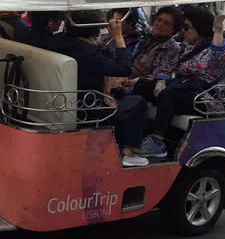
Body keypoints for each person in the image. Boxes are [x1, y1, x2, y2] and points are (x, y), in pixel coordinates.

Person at [49, 10, 150, 167]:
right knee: (138, 102)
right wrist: (118, 37)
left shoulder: (58, 40)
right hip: (88, 107)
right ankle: (127, 153)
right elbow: (125, 69)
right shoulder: (88, 52)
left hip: (63, 99)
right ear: (94, 28)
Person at [133, 7, 225, 159]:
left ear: (200, 29)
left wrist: (218, 29)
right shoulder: (185, 48)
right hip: (183, 91)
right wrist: (161, 81)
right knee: (142, 85)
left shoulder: (211, 50)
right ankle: (138, 131)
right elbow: (168, 68)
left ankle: (157, 143)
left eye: (186, 27)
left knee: (168, 95)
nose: (183, 31)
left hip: (205, 98)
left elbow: (218, 53)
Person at [121, 6, 183, 87]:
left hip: (140, 86)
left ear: (173, 29)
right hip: (124, 77)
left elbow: (159, 75)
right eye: (159, 20)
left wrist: (131, 81)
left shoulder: (173, 48)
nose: (160, 24)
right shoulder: (146, 39)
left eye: (166, 23)